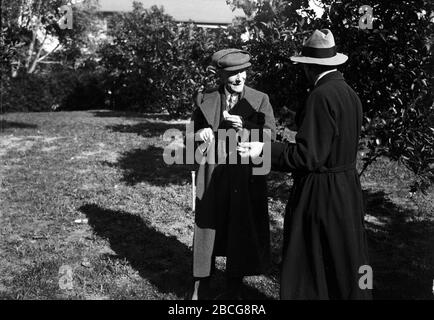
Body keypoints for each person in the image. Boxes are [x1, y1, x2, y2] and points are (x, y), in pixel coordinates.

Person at [238, 29, 372, 300]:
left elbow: (307, 157)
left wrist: (263, 150)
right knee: (344, 258)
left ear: (310, 68)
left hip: (320, 192)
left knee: (309, 259)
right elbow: (329, 143)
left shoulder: (320, 96)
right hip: (346, 188)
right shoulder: (349, 94)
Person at [188, 48, 276, 299]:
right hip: (212, 173)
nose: (240, 78)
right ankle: (200, 285)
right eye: (234, 73)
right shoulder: (205, 98)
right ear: (222, 75)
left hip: (244, 176)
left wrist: (247, 127)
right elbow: (190, 136)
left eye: (244, 72)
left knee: (239, 228)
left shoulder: (260, 100)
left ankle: (233, 288)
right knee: (207, 227)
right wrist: (199, 136)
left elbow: (271, 138)